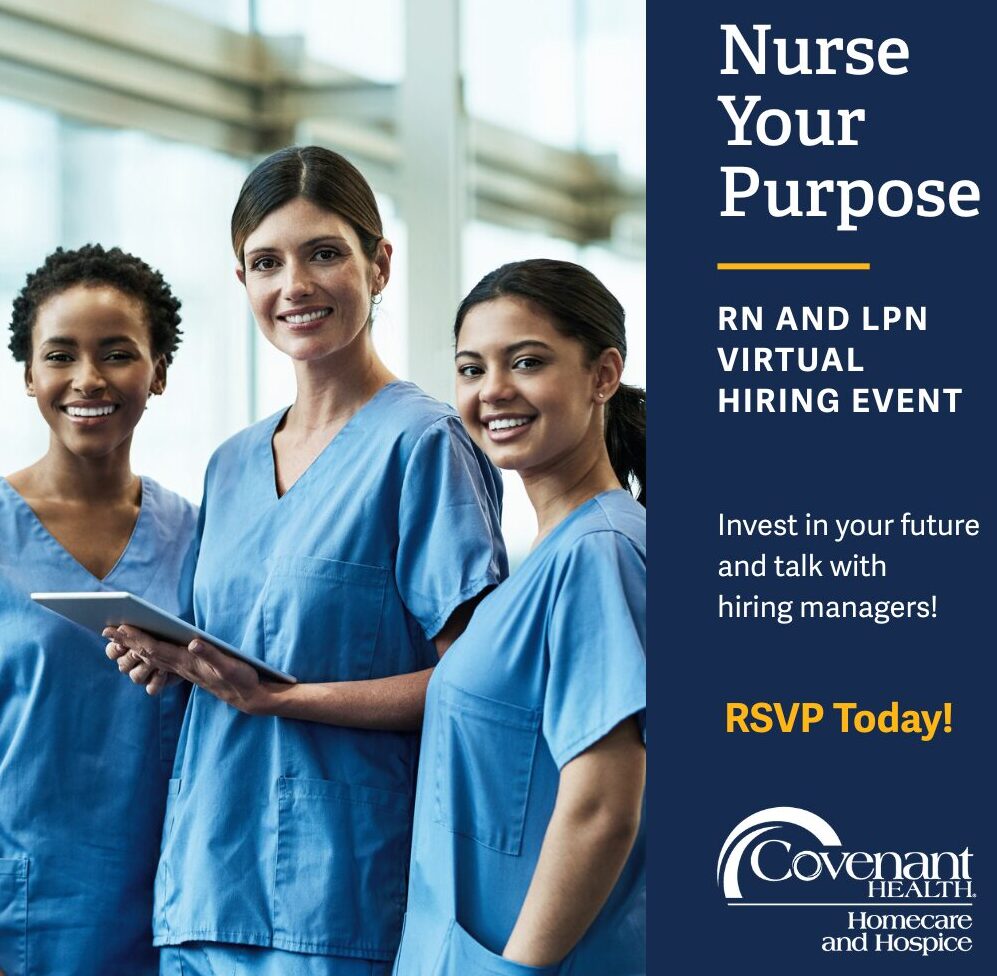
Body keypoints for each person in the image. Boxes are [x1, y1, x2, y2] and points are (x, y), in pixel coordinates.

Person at [106, 146, 507, 976]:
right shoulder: (231, 461)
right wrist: (170, 661)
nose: (295, 285)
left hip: (338, 896)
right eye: (266, 262)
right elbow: (233, 651)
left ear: (378, 264)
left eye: (323, 253)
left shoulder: (422, 446)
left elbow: (480, 685)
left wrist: (285, 698)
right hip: (202, 889)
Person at [392, 259, 646, 976]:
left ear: (602, 375)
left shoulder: (598, 554)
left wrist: (509, 974)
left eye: (526, 362)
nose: (492, 391)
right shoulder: (544, 560)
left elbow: (602, 808)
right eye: (471, 369)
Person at [0, 245, 197, 976]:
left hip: (172, 906)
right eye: (60, 355)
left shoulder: (201, 538)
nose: (88, 380)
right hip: (24, 914)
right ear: (28, 374)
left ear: (159, 372)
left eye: (117, 354)